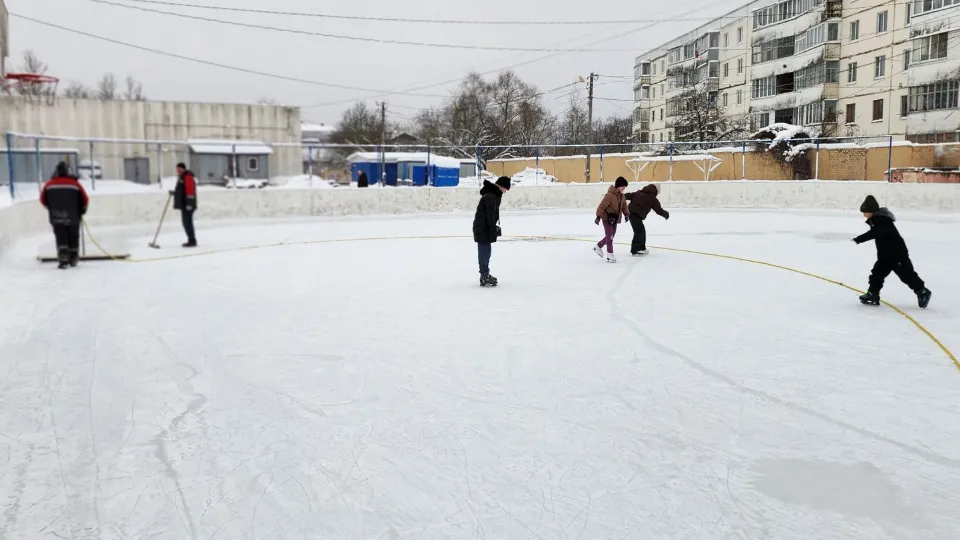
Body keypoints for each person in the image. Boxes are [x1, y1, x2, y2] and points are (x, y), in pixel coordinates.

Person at [854, 195, 932, 308]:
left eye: (865, 211)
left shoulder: (882, 220)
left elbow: (876, 232)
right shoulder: (877, 220)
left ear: (872, 210)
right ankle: (872, 294)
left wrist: (859, 239)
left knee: (907, 275)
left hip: (897, 254)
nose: (864, 214)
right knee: (876, 274)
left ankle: (923, 291)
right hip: (885, 256)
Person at [39, 162, 89, 269]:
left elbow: (43, 200)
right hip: (73, 216)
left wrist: (51, 207)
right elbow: (85, 199)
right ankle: (73, 258)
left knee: (61, 237)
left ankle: (63, 259)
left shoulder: (49, 184)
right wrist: (82, 210)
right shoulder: (75, 184)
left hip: (56, 216)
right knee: (73, 236)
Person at [473, 176, 511, 287]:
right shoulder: (491, 196)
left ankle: (485, 274)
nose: (505, 191)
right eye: (505, 189)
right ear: (501, 186)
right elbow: (489, 215)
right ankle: (484, 276)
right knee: (484, 252)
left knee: (487, 251)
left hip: (484, 227)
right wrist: (492, 229)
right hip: (482, 228)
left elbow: (492, 214)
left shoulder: (493, 194)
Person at [625, 183, 670, 256]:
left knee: (641, 231)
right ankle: (635, 250)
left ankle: (642, 248)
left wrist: (620, 196)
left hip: (631, 213)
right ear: (656, 191)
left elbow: (628, 195)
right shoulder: (652, 198)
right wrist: (666, 214)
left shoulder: (639, 192)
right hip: (634, 215)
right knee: (639, 231)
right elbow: (658, 210)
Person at [593, 177, 630, 263]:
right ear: (618, 186)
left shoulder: (622, 196)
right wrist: (598, 217)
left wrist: (627, 214)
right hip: (606, 218)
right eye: (622, 186)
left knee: (611, 235)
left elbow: (624, 206)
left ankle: (598, 246)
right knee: (610, 235)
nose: (623, 188)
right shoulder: (609, 195)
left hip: (614, 219)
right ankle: (610, 254)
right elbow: (601, 206)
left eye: (625, 187)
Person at [172, 163, 198, 247]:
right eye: (177, 170)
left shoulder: (187, 176)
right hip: (184, 204)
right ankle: (191, 239)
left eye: (179, 170)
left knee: (187, 222)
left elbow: (190, 190)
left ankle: (192, 240)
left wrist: (189, 204)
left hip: (188, 204)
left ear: (183, 169)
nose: (178, 172)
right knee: (185, 222)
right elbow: (181, 190)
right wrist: (174, 193)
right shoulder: (182, 177)